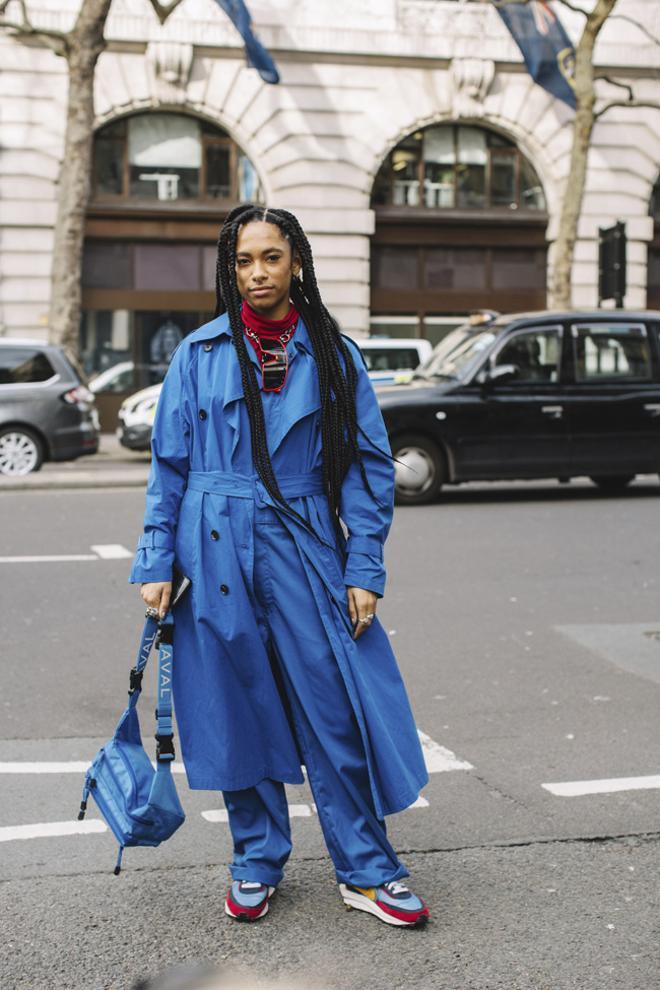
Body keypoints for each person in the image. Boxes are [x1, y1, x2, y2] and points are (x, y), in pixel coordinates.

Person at [129, 205, 430, 928]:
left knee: (338, 710)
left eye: (270, 257)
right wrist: (156, 559)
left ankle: (365, 866)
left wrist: (364, 567)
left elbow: (367, 468)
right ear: (229, 270)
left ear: (297, 261)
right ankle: (257, 858)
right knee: (238, 710)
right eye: (242, 261)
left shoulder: (335, 353)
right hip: (215, 547)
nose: (257, 274)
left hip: (304, 545)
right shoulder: (198, 354)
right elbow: (168, 468)